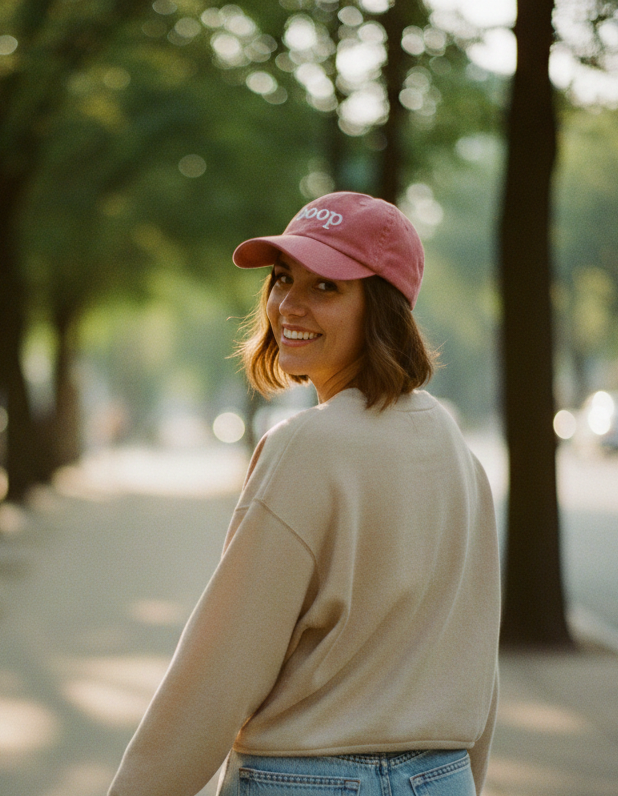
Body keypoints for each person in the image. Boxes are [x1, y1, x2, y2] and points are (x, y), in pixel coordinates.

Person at [107, 192, 500, 796]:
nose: (288, 304)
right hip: (442, 779)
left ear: (383, 308)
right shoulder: (457, 451)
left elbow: (222, 667)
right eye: (283, 279)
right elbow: (476, 662)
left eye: (326, 287)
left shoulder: (307, 446)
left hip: (307, 779)